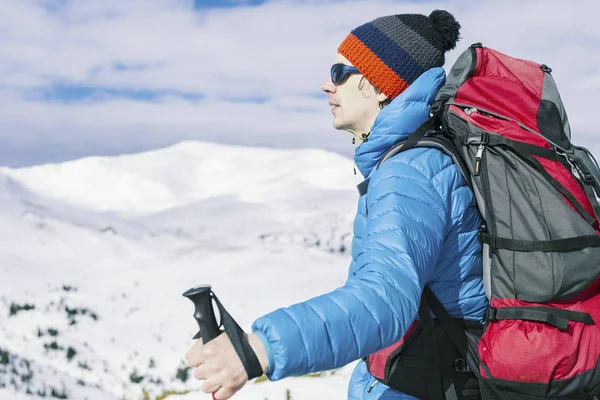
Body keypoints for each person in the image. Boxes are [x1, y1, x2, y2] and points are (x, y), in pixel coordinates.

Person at [185, 9, 487, 400]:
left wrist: (257, 349)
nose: (327, 85)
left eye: (340, 72)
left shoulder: (409, 172)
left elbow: (383, 301)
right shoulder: (416, 158)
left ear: (380, 86)